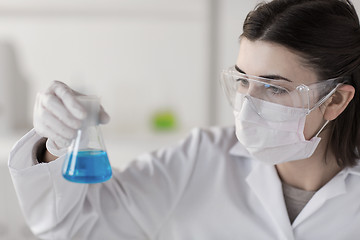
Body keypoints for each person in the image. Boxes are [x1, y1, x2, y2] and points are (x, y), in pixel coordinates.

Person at [8, 0, 360, 239]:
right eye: (242, 81)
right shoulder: (201, 158)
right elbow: (72, 229)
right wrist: (53, 148)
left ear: (336, 100)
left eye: (275, 89)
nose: (247, 106)